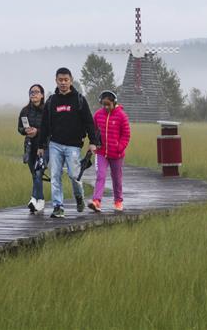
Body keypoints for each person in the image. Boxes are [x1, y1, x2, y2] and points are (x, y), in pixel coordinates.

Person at [37, 67, 101, 218]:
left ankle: (79, 197)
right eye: (60, 80)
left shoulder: (79, 99)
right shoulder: (51, 101)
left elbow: (89, 122)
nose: (63, 83)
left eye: (66, 80)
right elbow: (44, 124)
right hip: (55, 144)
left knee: (74, 175)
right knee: (55, 176)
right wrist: (41, 145)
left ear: (71, 80)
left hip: (73, 145)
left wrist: (93, 142)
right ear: (56, 81)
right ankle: (58, 207)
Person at [88, 90, 130, 213]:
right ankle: (96, 201)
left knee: (116, 178)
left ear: (114, 103)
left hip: (116, 154)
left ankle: (118, 201)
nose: (106, 107)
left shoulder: (121, 115)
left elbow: (126, 135)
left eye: (108, 104)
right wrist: (94, 143)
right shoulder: (97, 115)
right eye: (104, 104)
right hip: (101, 153)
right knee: (100, 175)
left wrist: (119, 147)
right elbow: (94, 131)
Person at [17, 84, 48, 213]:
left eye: (36, 92)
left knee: (39, 172)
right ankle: (38, 201)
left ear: (42, 95)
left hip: (45, 146)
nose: (33, 94)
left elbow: (51, 130)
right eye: (31, 92)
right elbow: (19, 128)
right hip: (30, 146)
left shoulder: (47, 110)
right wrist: (26, 130)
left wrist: (38, 131)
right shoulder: (25, 111)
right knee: (34, 174)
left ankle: (35, 200)